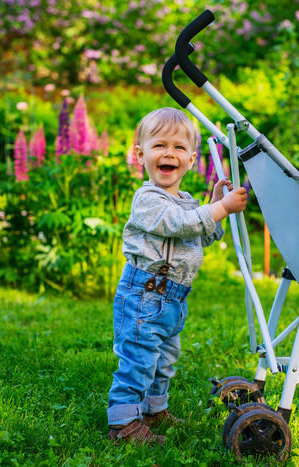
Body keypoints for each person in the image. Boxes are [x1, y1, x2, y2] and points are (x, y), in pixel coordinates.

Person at [107, 108, 248, 444]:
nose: (169, 153)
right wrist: (222, 208)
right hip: (144, 296)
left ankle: (155, 411)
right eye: (159, 146)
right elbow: (179, 224)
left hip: (172, 299)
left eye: (179, 148)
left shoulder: (187, 201)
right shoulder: (147, 199)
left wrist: (215, 203)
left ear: (190, 159)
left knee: (163, 361)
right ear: (141, 154)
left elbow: (204, 234)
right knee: (138, 360)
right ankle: (123, 424)